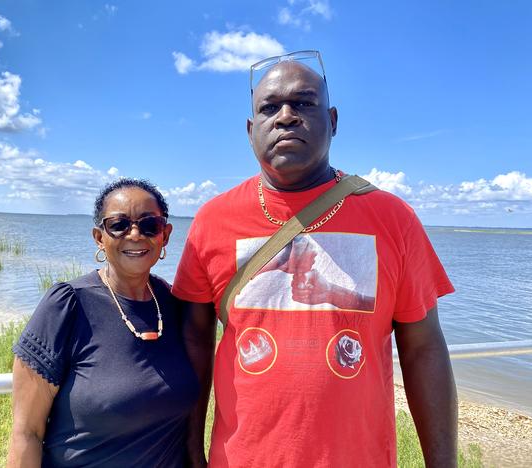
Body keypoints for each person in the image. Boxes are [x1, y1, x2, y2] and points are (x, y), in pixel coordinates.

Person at [172, 52, 457, 467]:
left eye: (304, 103)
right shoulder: (213, 221)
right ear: (251, 131)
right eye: (269, 107)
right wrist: (191, 452)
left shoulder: (393, 219)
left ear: (334, 121)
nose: (285, 116)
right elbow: (194, 342)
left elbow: (424, 349)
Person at [7, 178, 199, 467]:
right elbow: (27, 433)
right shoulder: (68, 304)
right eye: (119, 224)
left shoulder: (173, 304)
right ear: (99, 237)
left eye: (150, 225)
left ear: (165, 235)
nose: (135, 234)